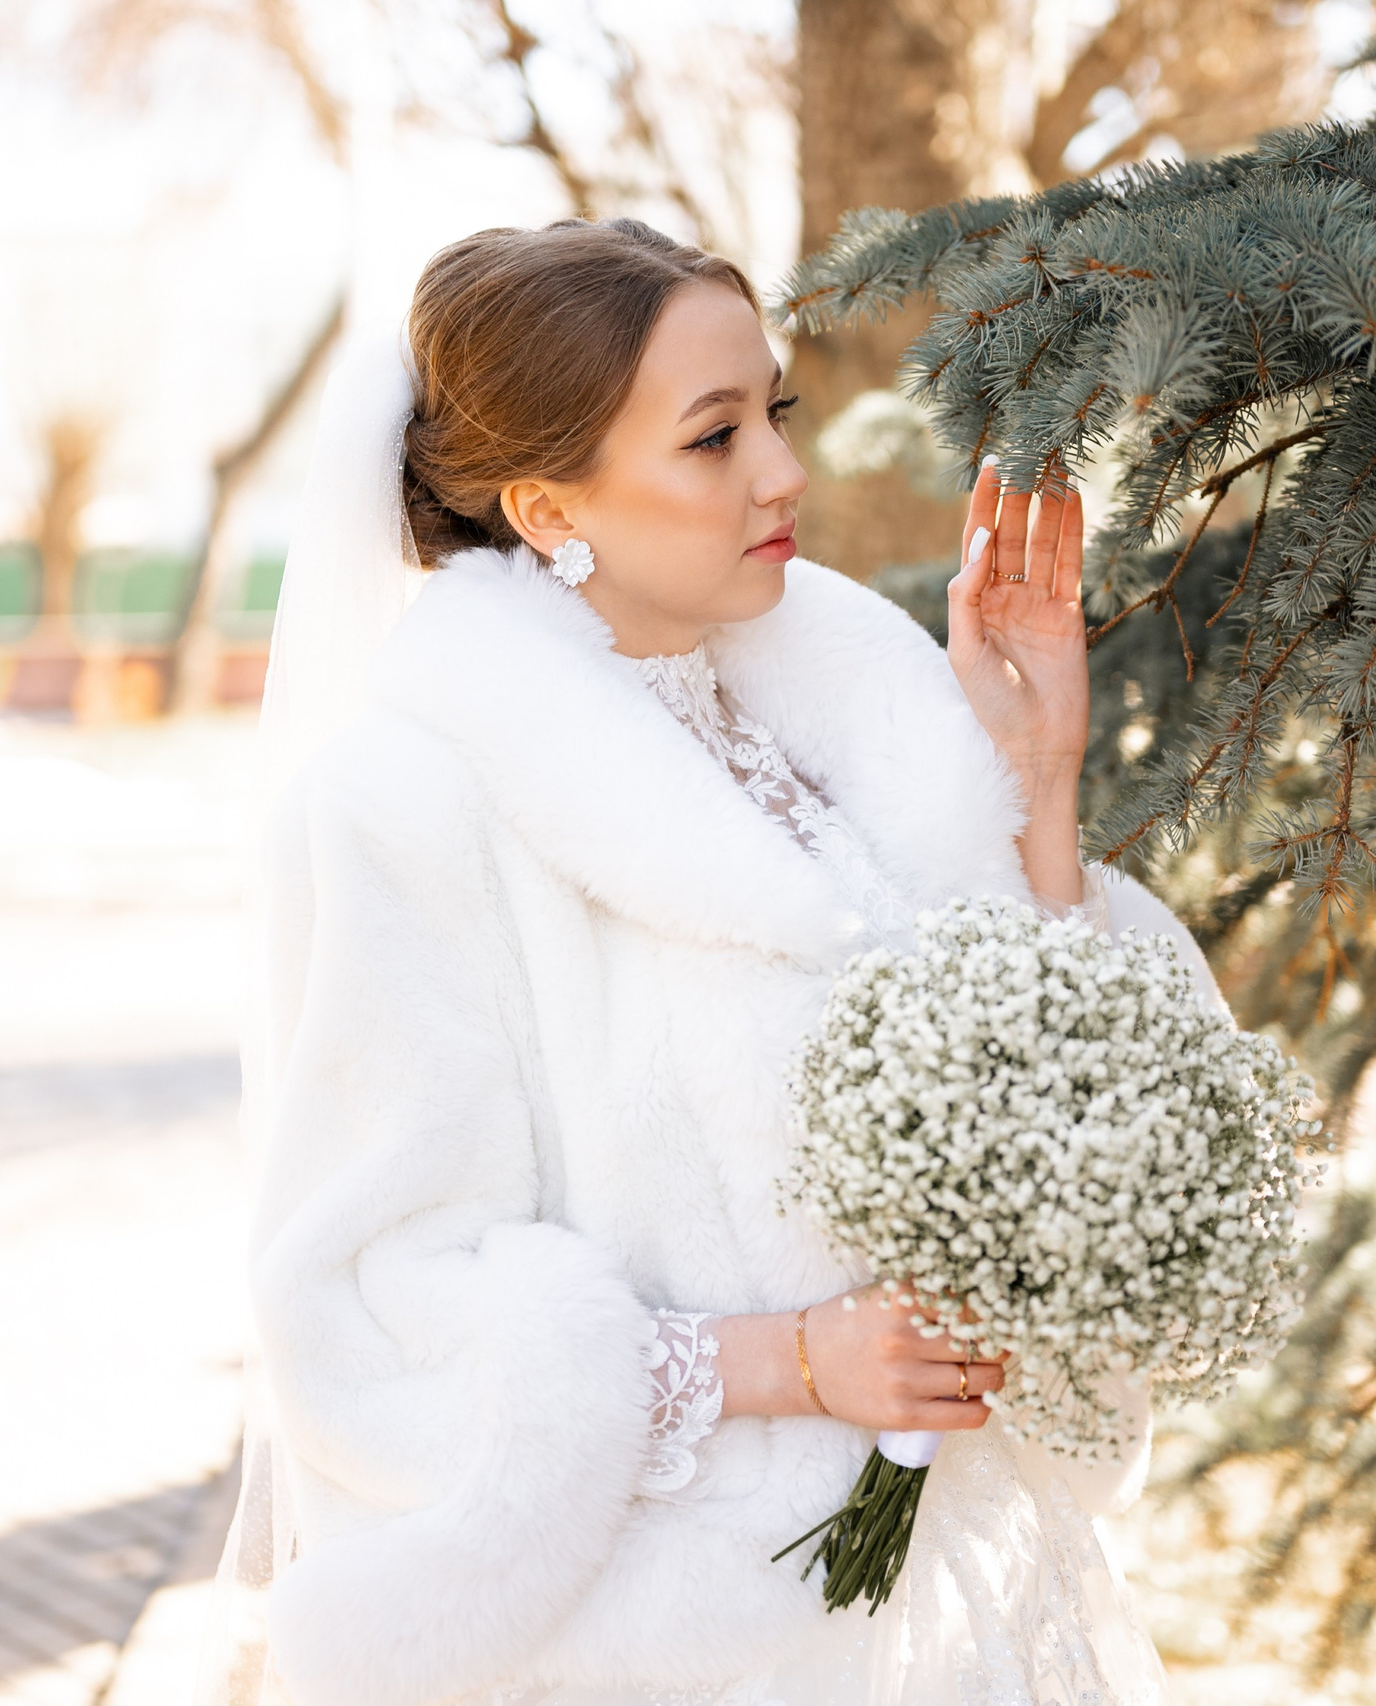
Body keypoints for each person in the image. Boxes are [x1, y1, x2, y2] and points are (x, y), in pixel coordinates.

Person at [211, 218, 1228, 1706]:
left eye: (776, 411)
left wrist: (1036, 778)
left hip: (955, 1600)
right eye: (713, 436)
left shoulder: (848, 709)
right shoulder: (400, 804)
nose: (782, 472)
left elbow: (1028, 1085)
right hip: (680, 1641)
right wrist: (796, 1362)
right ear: (549, 502)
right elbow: (372, 1301)